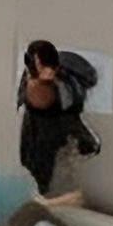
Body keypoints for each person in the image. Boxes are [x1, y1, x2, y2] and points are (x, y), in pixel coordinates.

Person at [17, 39, 101, 203]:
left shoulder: (66, 111)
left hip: (58, 121)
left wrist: (49, 203)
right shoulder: (32, 100)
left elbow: (79, 196)